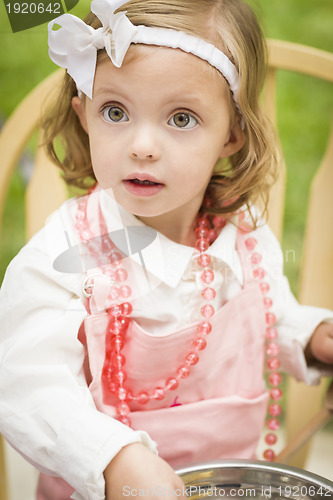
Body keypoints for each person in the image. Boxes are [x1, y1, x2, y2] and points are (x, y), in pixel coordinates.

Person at [0, 0, 332, 499]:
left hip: (231, 485)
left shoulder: (242, 234)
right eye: (116, 112)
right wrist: (112, 460)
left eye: (181, 118)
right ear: (84, 115)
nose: (143, 145)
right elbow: (26, 383)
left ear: (232, 133)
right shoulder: (68, 254)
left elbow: (266, 316)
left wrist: (312, 338)